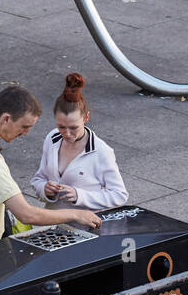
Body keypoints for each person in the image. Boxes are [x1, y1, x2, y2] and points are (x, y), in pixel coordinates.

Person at [0, 83, 101, 257]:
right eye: (24, 127)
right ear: (6, 119)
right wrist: (77, 214)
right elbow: (27, 215)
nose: (26, 133)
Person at [31, 72, 129, 210]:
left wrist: (79, 196)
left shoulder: (101, 151)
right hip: (52, 224)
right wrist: (44, 189)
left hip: (86, 227)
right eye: (61, 127)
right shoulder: (52, 138)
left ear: (86, 117)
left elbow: (119, 195)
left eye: (73, 127)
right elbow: (38, 179)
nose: (67, 133)